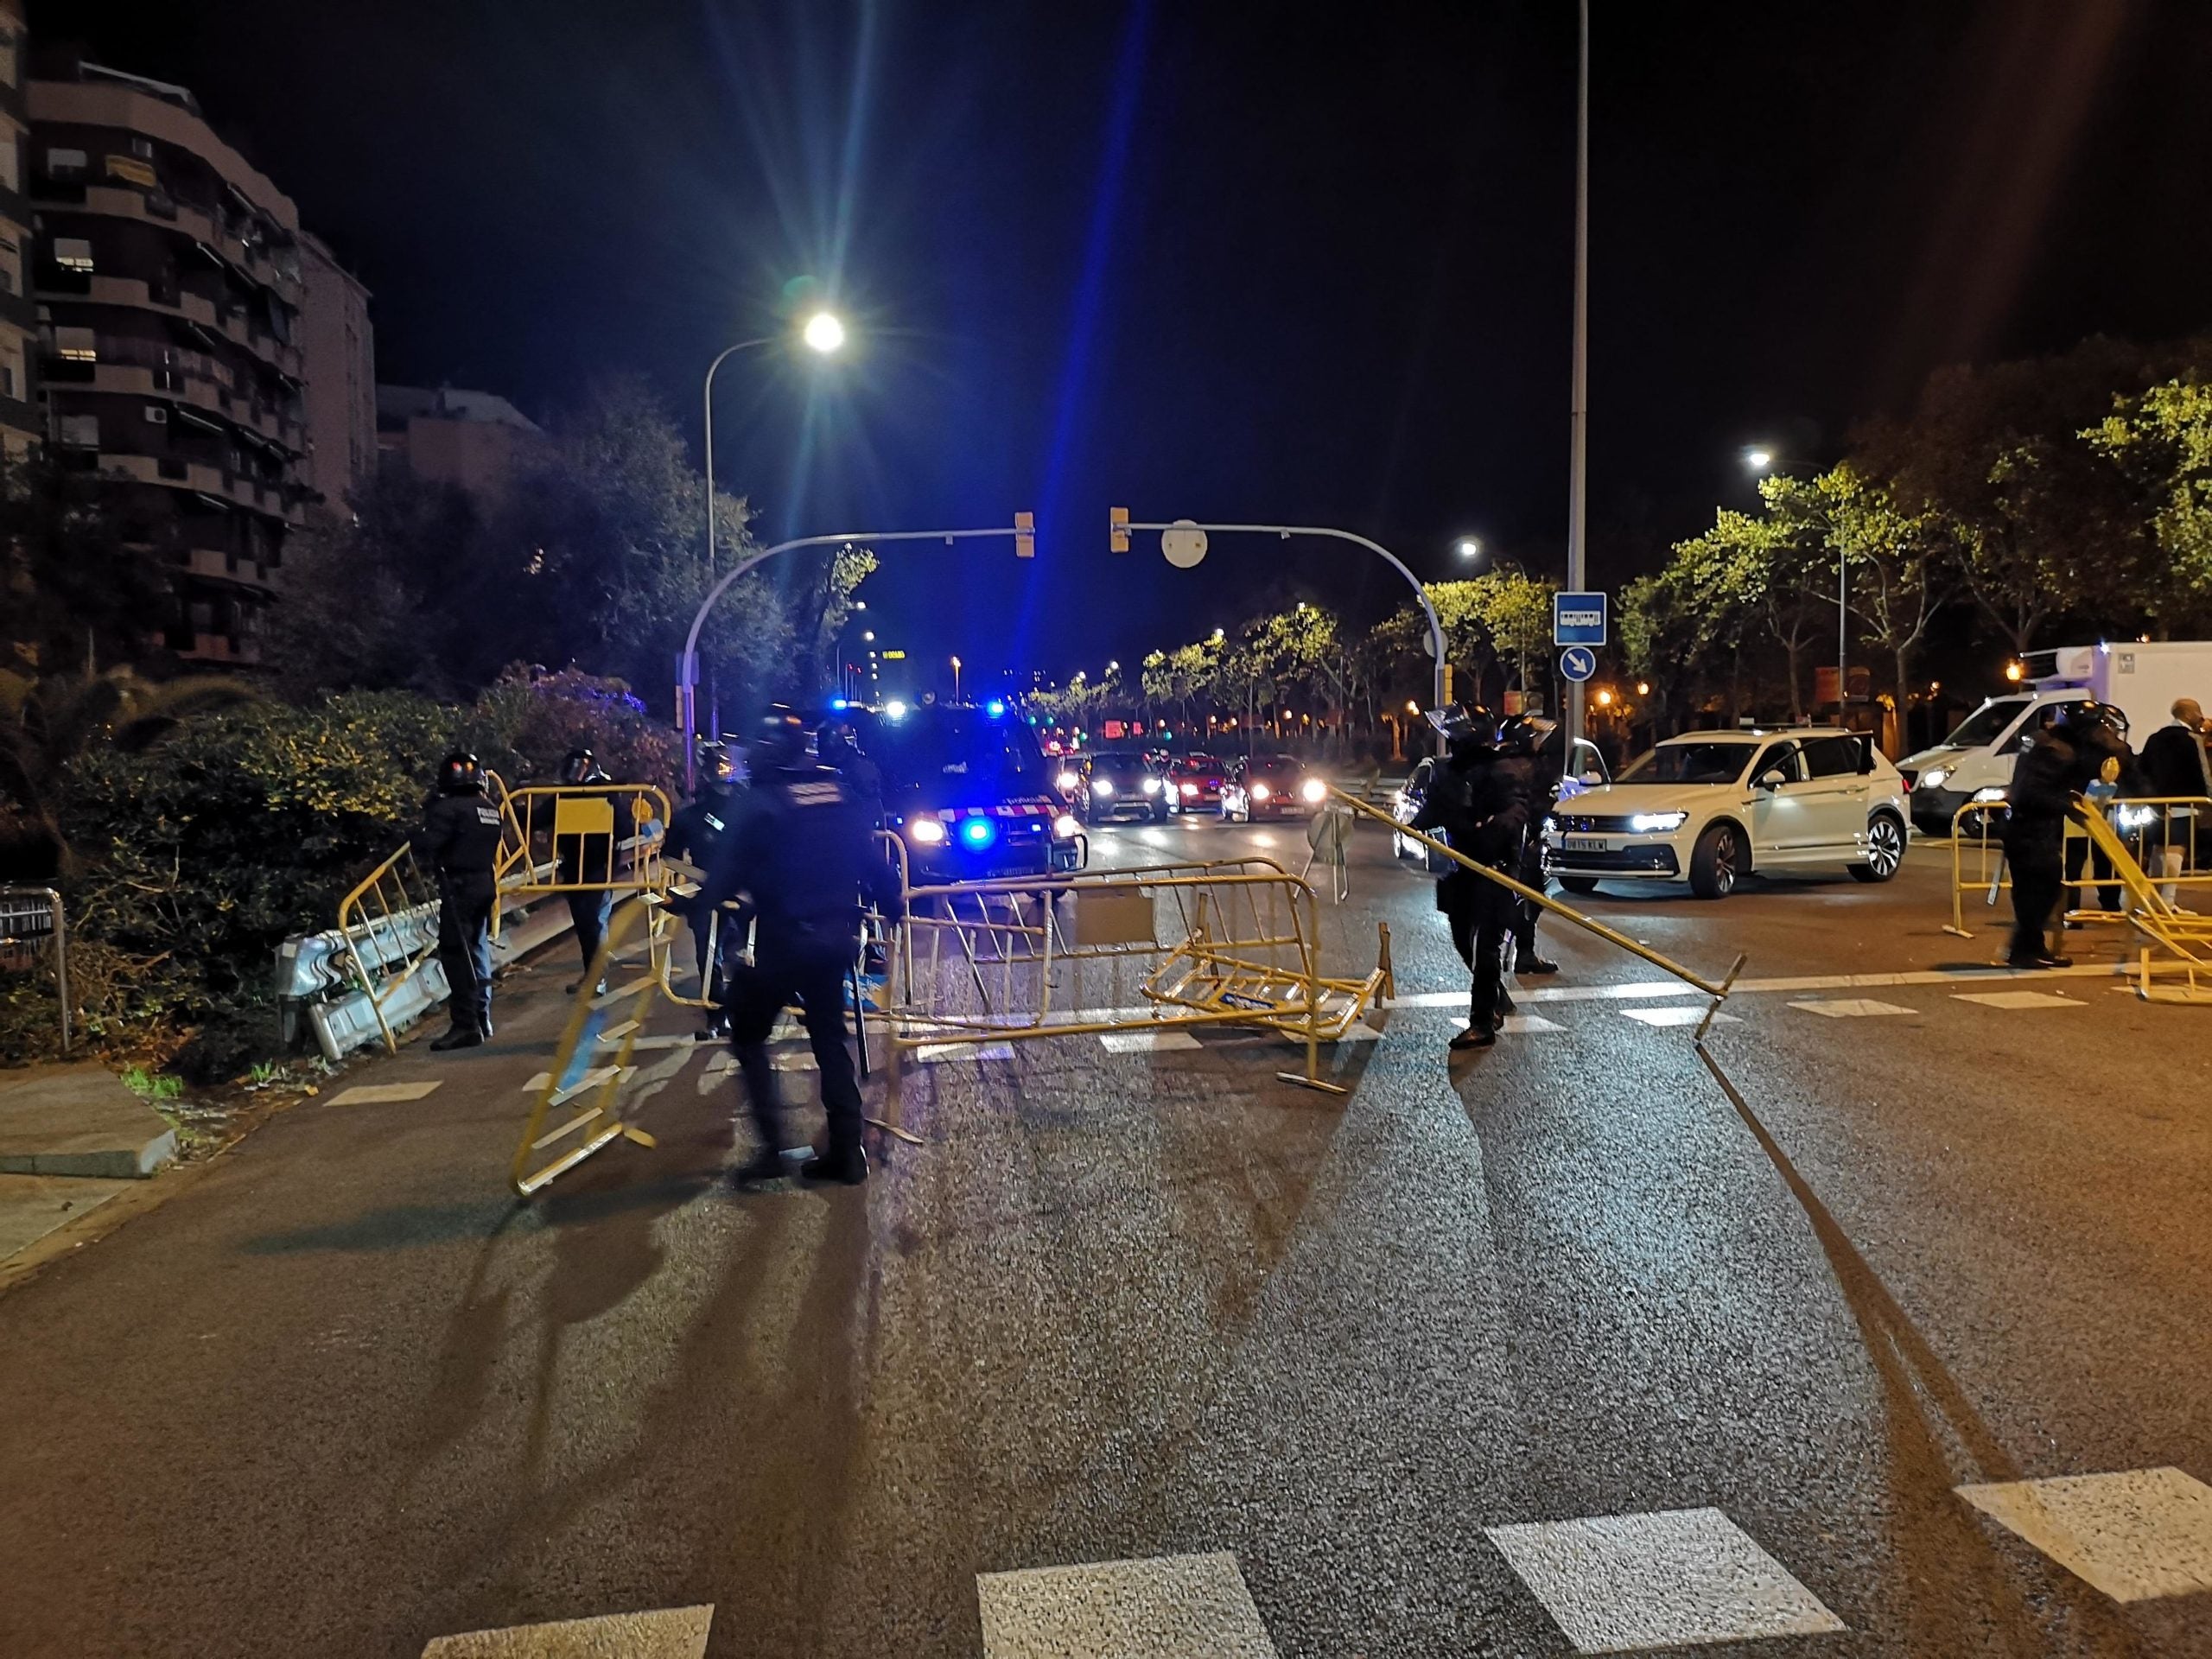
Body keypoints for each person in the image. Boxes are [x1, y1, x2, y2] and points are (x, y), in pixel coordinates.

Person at [688, 702, 904, 1185]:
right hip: (836, 939)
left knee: (747, 1035)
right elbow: (871, 860)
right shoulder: (835, 791)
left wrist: (694, 905)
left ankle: (770, 1152)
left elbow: (725, 873)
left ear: (766, 752)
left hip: (787, 943)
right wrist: (892, 906)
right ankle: (848, 1154)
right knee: (830, 1039)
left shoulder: (759, 801)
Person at [1413, 703, 1526, 1051]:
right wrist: (1409, 825)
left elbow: (1517, 810)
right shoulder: (1447, 771)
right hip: (1459, 869)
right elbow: (1433, 811)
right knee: (1462, 939)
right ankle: (1496, 997)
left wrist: (1489, 832)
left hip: (1493, 868)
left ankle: (1482, 1023)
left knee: (1486, 945)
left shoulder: (1501, 770)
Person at [2001, 702, 2126, 968]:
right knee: (2042, 888)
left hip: (2024, 828)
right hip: (2034, 830)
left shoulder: (2042, 741)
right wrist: (2069, 805)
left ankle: (2028, 948)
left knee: (2031, 890)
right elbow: (2033, 793)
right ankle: (2025, 949)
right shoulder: (2058, 751)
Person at [419, 750, 505, 1052]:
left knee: (457, 956)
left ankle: (465, 1024)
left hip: (460, 889)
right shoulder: (489, 807)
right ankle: (482, 1017)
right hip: (484, 884)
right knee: (477, 951)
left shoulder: (448, 809)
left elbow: (428, 843)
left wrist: (423, 821)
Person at [664, 745, 745, 1038]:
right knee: (708, 950)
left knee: (753, 949)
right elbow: (670, 856)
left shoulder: (749, 807)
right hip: (708, 893)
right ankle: (717, 1014)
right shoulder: (691, 815)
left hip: (748, 892)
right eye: (716, 767)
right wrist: (702, 880)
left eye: (724, 766)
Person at [1500, 715, 1561, 976]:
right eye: (1534, 738)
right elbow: (1536, 806)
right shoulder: (1530, 767)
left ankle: (1522, 953)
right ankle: (1522, 954)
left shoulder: (1503, 764)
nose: (1539, 742)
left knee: (1519, 899)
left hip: (1507, 842)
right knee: (1529, 900)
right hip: (1524, 844)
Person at [555, 747, 616, 996]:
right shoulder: (566, 795)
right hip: (574, 869)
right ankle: (592, 975)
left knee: (593, 924)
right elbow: (540, 816)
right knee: (585, 926)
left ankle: (598, 978)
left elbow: (623, 824)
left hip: (597, 869)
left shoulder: (607, 793)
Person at [2138, 697, 2212, 903]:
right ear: (2188, 715)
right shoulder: (2190, 739)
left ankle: (2150, 900)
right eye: (2198, 712)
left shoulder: (2154, 738)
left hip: (2155, 803)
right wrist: (2208, 797)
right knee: (2177, 847)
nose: (2201, 716)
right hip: (2185, 802)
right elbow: (2203, 772)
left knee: (2158, 847)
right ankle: (2168, 900)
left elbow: (2142, 768)